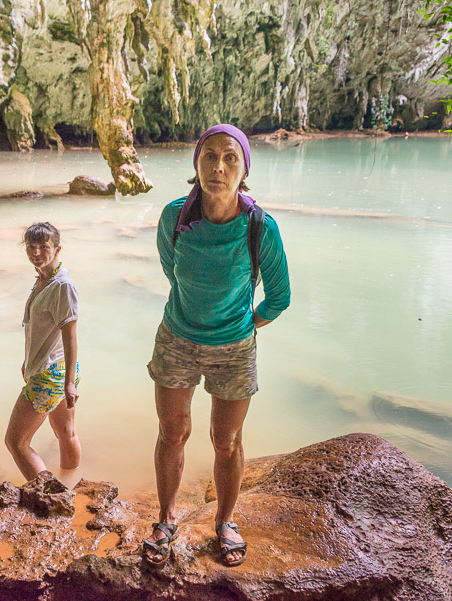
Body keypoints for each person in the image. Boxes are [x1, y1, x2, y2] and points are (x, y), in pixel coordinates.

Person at [143, 124, 291, 568]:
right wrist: (197, 315)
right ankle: (167, 519)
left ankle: (225, 521)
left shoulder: (260, 227)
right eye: (210, 156)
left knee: (225, 442)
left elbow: (279, 298)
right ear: (197, 163)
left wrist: (241, 324)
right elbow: (174, 273)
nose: (219, 167)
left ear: (244, 168)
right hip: (176, 340)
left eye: (230, 158)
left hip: (235, 349)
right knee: (173, 434)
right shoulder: (175, 216)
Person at [4, 222, 82, 487]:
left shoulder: (61, 286)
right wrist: (28, 362)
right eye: (31, 247)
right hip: (53, 369)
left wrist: (69, 383)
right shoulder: (44, 278)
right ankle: (72, 483)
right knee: (65, 433)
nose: (36, 252)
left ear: (57, 248)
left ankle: (52, 497)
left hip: (52, 376)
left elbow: (70, 336)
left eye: (44, 247)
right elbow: (43, 331)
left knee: (16, 442)